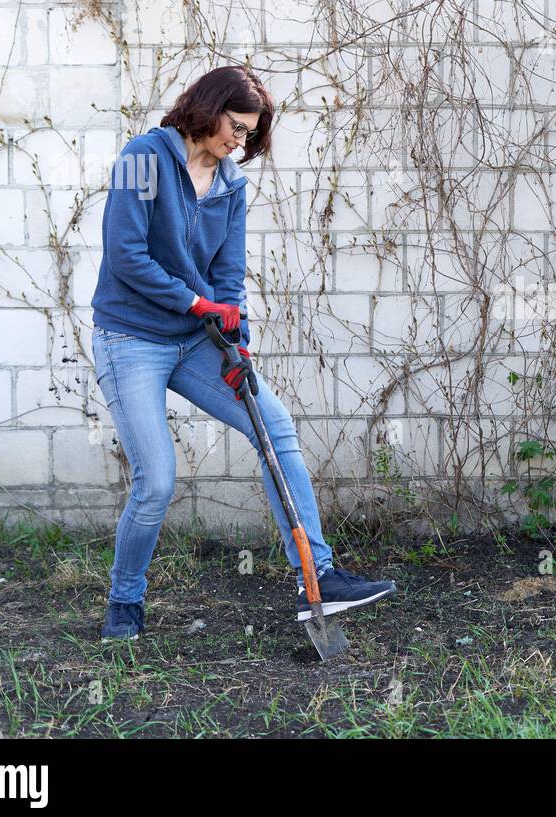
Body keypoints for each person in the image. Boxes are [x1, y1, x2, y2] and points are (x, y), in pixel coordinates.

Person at [89, 65, 395, 641]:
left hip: (195, 340)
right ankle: (124, 600)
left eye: (251, 134)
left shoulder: (230, 184)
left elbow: (228, 278)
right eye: (236, 126)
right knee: (156, 479)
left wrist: (239, 345)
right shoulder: (145, 159)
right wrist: (196, 305)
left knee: (275, 426)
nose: (241, 141)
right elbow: (126, 255)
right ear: (207, 109)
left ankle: (319, 577)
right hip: (130, 338)